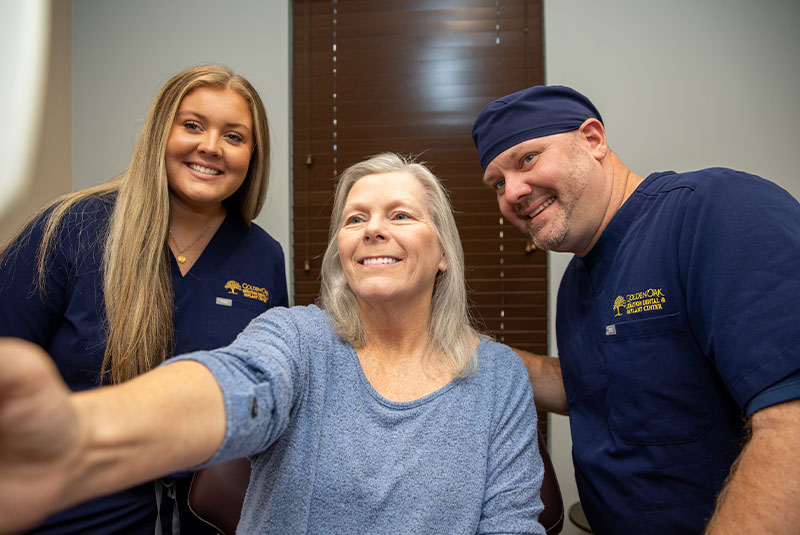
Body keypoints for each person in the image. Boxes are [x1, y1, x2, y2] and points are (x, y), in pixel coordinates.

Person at [0, 153, 546, 535]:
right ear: (341, 251)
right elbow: (233, 388)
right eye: (355, 219)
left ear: (443, 252)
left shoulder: (498, 377)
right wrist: (81, 434)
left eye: (400, 215)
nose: (372, 229)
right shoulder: (297, 337)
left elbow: (511, 524)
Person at [471, 85, 800, 534]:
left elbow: (791, 422)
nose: (513, 192)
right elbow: (604, 385)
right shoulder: (577, 282)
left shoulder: (715, 210)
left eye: (527, 159)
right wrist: (466, 352)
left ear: (593, 140)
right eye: (497, 183)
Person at [0, 64, 289, 534]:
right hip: (74, 512)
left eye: (234, 136)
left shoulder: (262, 257)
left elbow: (264, 392)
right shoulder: (70, 228)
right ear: (161, 132)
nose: (211, 147)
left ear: (253, 156)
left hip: (206, 518)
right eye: (192, 125)